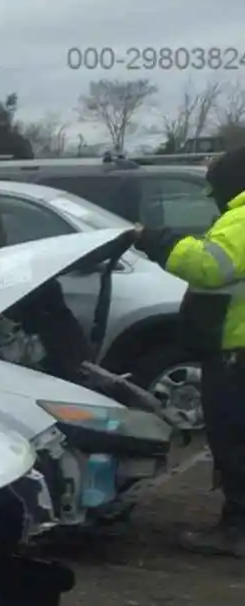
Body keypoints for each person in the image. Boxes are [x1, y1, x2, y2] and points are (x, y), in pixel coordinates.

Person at [132, 146, 245, 556]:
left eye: (214, 186)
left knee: (233, 440)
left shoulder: (242, 218)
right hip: (234, 346)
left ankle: (238, 529)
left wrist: (159, 241)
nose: (211, 195)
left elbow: (209, 267)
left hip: (236, 351)